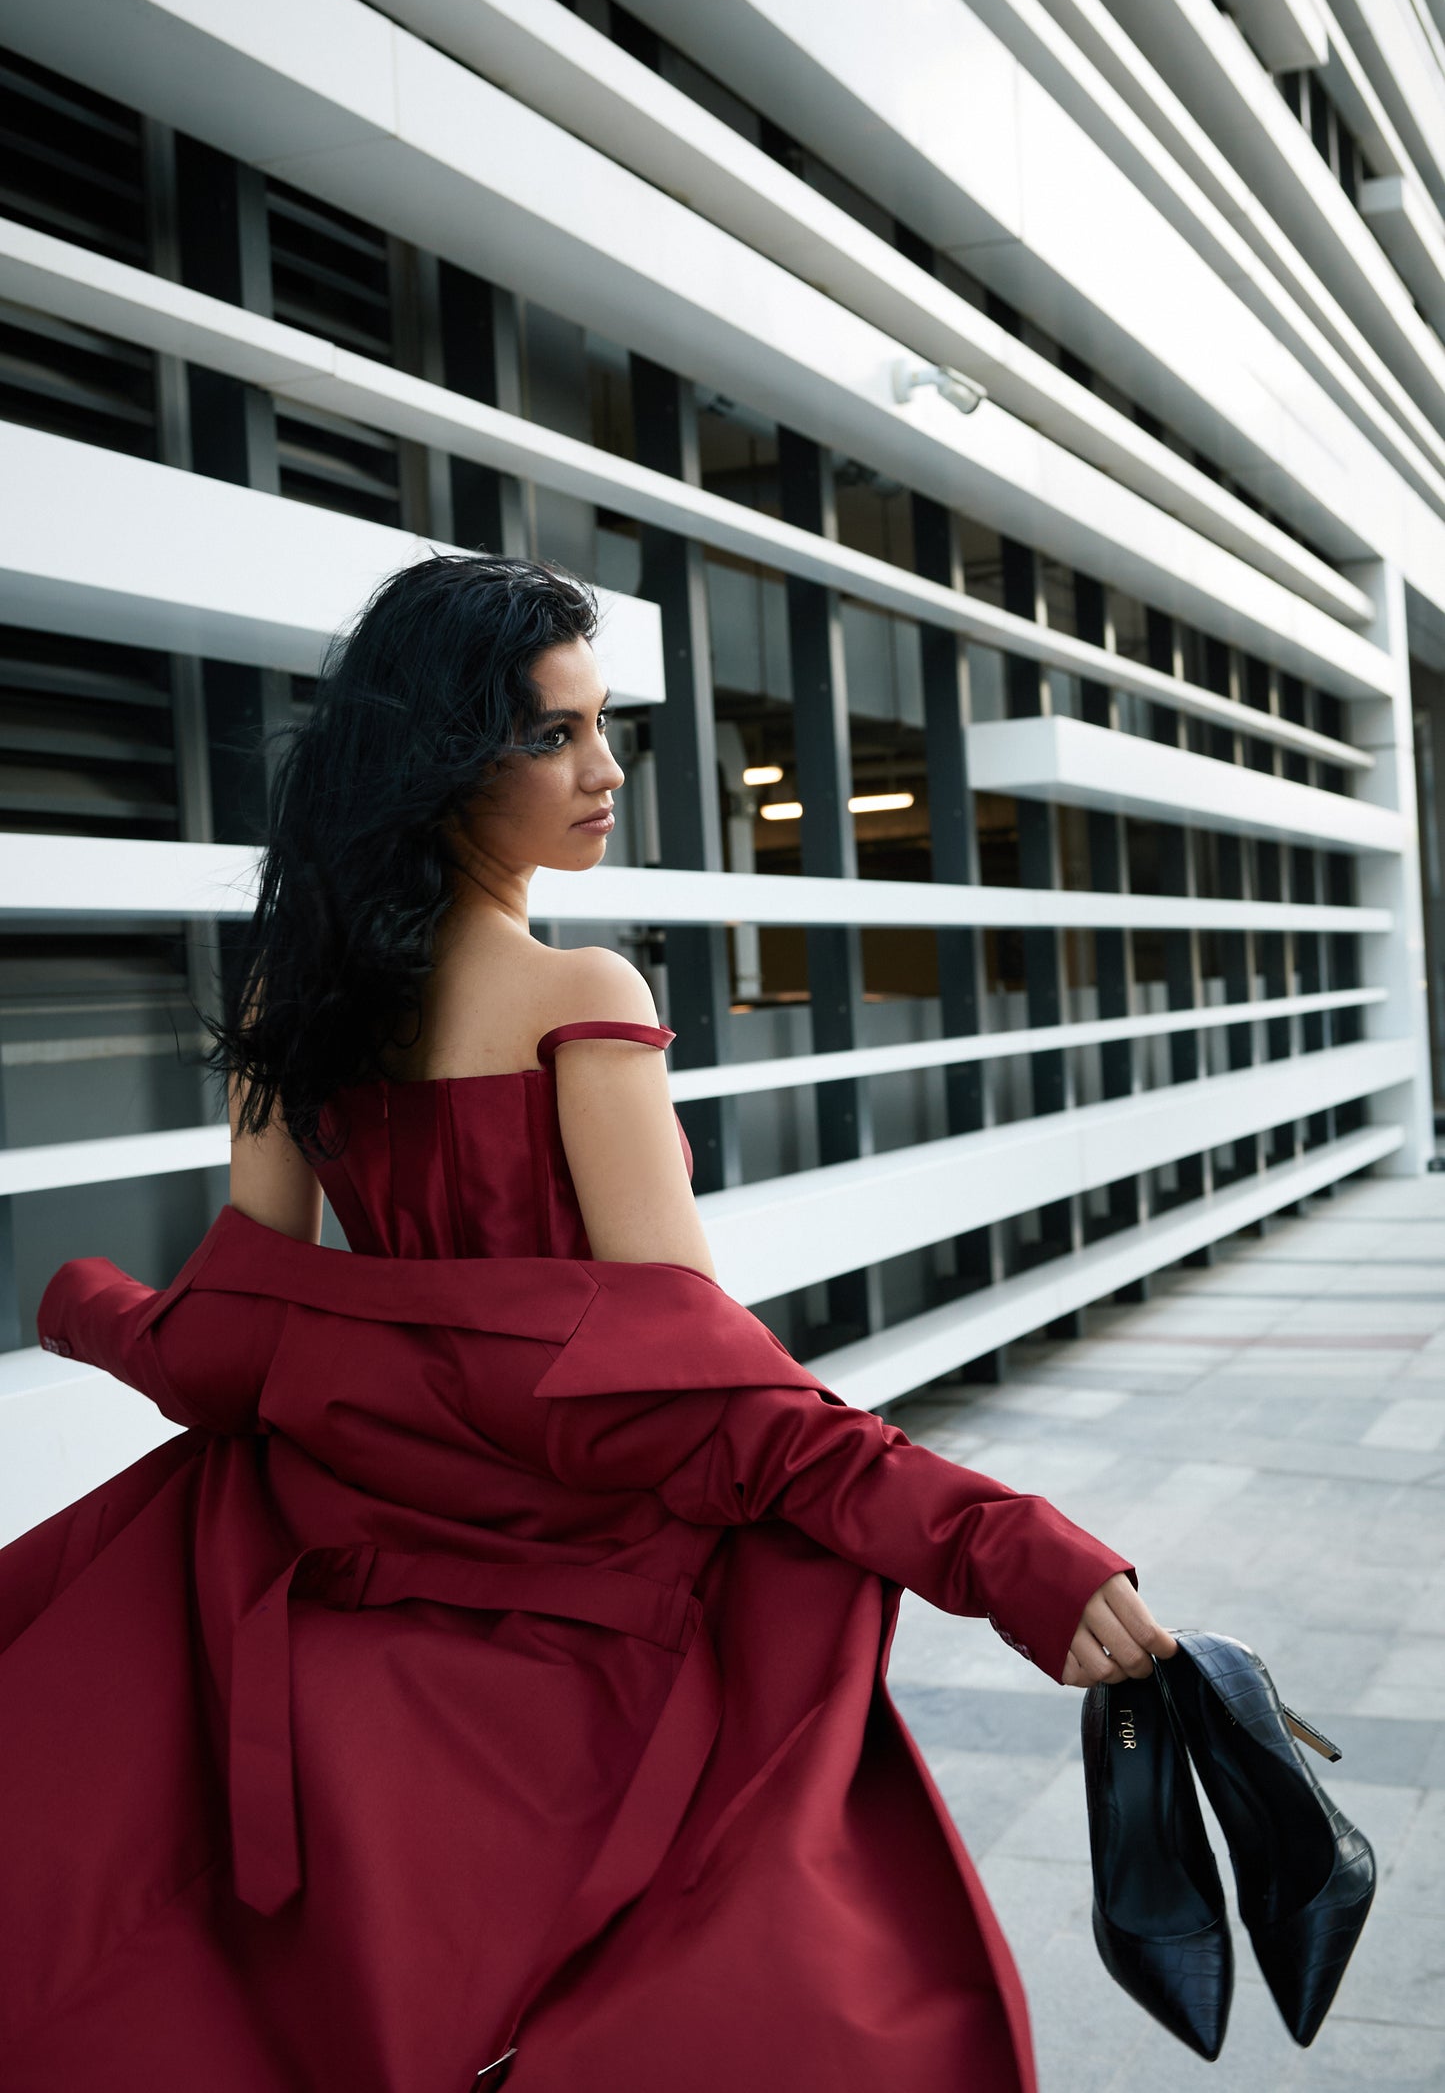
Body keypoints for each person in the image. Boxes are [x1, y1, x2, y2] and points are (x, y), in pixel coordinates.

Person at [0, 554, 1173, 2092]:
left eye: (601, 726)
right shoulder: (579, 995)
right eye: (552, 735)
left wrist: (90, 1308)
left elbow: (226, 1349)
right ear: (438, 761)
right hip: (588, 1604)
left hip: (336, 1584)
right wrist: (992, 1545)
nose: (604, 770)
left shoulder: (297, 992)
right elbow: (703, 1398)